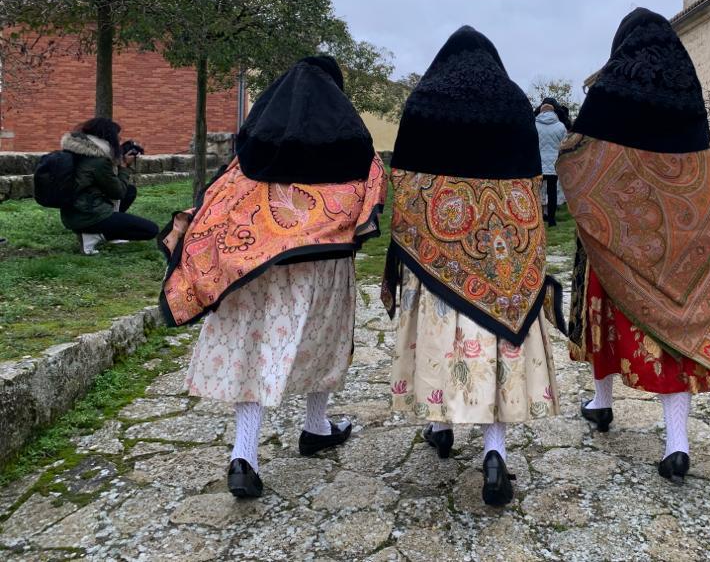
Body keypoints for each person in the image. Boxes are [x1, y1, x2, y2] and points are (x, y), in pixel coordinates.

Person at [159, 55, 387, 499]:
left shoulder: (251, 155)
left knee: (251, 348)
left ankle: (243, 455)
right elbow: (369, 197)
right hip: (320, 265)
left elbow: (215, 209)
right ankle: (315, 425)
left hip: (252, 268)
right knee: (324, 343)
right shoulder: (352, 149)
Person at [557, 8, 710, 484]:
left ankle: (602, 403)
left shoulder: (610, 88)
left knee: (603, 323)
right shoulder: (688, 91)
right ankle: (677, 441)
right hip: (688, 241)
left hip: (617, 241)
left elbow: (575, 155)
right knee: (679, 337)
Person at [382, 26, 564, 507]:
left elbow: (403, 181)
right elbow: (529, 182)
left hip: (439, 250)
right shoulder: (510, 101)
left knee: (444, 341)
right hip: (504, 248)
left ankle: (439, 425)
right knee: (497, 341)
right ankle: (494, 452)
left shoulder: (424, 101)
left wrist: (428, 239)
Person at [58, 118, 157, 254]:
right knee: (150, 230)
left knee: (130, 191)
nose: (119, 139)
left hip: (73, 213)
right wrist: (124, 167)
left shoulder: (78, 152)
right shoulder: (98, 161)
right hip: (89, 215)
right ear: (106, 137)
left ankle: (97, 231)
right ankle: (94, 236)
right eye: (117, 136)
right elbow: (118, 192)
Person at [534, 98, 567, 227]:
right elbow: (564, 145)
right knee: (552, 192)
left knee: (538, 192)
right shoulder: (560, 126)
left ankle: (539, 218)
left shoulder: (534, 125)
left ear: (541, 111)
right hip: (554, 164)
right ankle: (552, 220)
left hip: (538, 164)